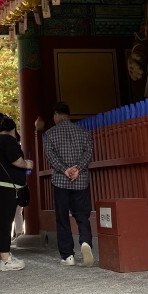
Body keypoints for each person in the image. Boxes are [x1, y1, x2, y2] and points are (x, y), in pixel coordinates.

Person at [44, 101, 94, 266]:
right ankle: (85, 242)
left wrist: (64, 169)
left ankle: (68, 256)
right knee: (82, 215)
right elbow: (88, 153)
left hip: (61, 182)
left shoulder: (50, 134)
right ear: (68, 115)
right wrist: (77, 168)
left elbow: (50, 156)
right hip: (80, 182)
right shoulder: (83, 132)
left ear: (56, 115)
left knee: (62, 218)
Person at [0, 115, 32, 271]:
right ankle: (5, 260)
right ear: (13, 130)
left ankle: (0, 256)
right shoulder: (8, 140)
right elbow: (15, 159)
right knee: (4, 222)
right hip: (4, 188)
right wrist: (27, 164)